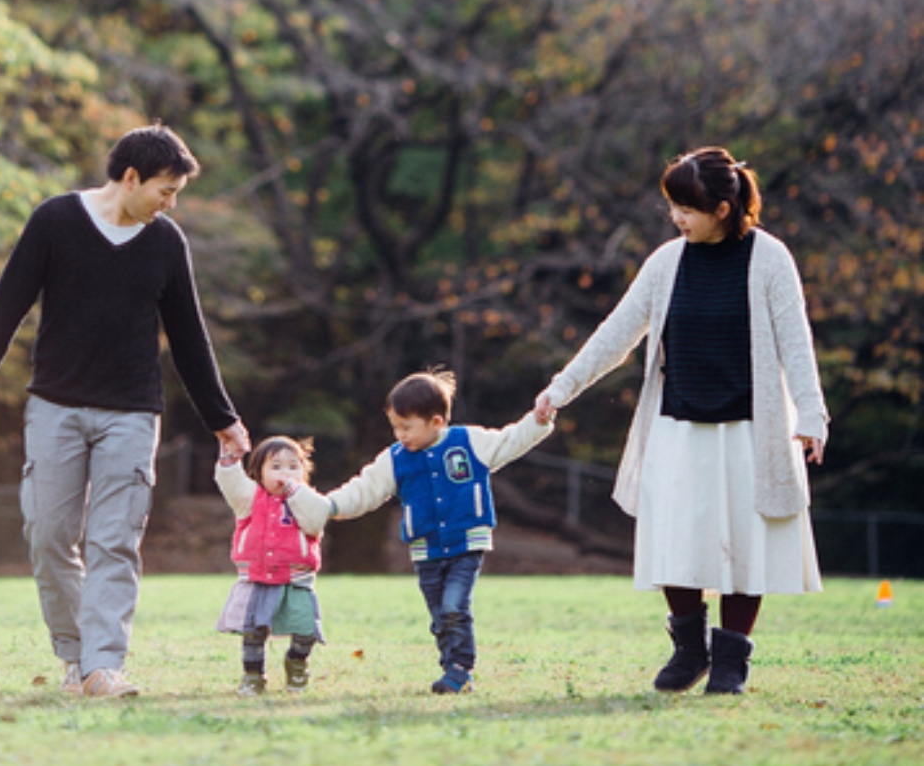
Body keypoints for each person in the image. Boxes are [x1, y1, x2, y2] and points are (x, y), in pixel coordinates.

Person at [0, 123, 250, 699]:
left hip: (132, 414)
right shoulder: (55, 221)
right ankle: (77, 655)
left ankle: (103, 666)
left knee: (115, 539)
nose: (171, 203)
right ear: (130, 177)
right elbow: (7, 303)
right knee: (49, 533)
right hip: (55, 405)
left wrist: (221, 417)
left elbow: (189, 336)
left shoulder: (166, 243)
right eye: (165, 189)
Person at [534, 146, 828, 696]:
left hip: (748, 428)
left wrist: (811, 414)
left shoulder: (769, 259)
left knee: (745, 548)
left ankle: (730, 660)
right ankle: (689, 649)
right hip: (677, 425)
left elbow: (796, 343)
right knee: (674, 542)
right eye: (672, 207)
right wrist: (561, 388)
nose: (676, 218)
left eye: (686, 208)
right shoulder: (666, 263)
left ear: (722, 208)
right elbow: (617, 335)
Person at [289, 369, 552, 694]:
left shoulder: (468, 442)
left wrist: (538, 422)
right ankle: (450, 667)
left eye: (406, 427)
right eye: (395, 426)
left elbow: (510, 440)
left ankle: (460, 668)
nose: (400, 434)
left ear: (436, 422)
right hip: (426, 550)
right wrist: (329, 506)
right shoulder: (395, 459)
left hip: (466, 543)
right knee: (441, 615)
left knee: (456, 606)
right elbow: (365, 489)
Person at [215, 435, 325, 696]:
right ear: (259, 473)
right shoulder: (250, 499)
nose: (285, 473)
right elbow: (232, 484)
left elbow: (315, 521)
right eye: (275, 466)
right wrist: (229, 460)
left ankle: (297, 663)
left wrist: (294, 493)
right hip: (257, 579)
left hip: (296, 580)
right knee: (253, 631)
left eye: (292, 466)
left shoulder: (308, 499)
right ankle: (253, 675)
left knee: (305, 628)